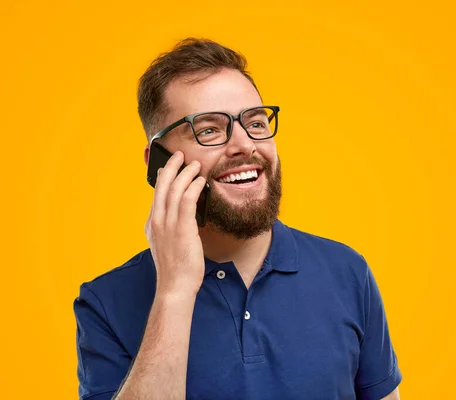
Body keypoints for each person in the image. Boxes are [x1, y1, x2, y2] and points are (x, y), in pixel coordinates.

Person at [74, 38, 402, 400]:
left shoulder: (348, 272)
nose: (245, 144)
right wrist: (174, 291)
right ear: (159, 162)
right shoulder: (105, 302)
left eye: (256, 122)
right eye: (209, 129)